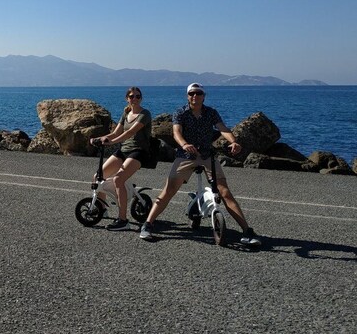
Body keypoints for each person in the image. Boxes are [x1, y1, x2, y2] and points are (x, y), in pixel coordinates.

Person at [138, 83, 261, 246]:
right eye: (191, 94)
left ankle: (247, 231)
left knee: (224, 192)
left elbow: (222, 128)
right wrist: (184, 144)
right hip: (185, 156)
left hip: (206, 155)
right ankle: (148, 225)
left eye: (198, 93)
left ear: (204, 96)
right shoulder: (180, 112)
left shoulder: (211, 113)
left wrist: (233, 141)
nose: (194, 96)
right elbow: (176, 132)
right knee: (169, 190)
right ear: (187, 96)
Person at [88, 86, 152, 230]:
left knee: (118, 179)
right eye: (131, 96)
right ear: (127, 98)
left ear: (141, 98)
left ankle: (123, 220)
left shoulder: (145, 114)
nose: (134, 98)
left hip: (139, 152)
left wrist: (111, 142)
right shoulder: (126, 113)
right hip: (124, 151)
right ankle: (103, 209)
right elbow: (116, 132)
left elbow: (130, 133)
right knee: (98, 176)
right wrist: (98, 139)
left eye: (137, 96)